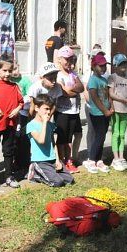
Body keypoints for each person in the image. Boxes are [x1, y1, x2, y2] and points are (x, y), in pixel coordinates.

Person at [0, 58, 24, 189]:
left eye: (9, 71)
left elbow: (21, 102)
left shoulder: (14, 86)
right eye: (4, 70)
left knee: (8, 151)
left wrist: (17, 110)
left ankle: (9, 176)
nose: (7, 74)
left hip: (10, 124)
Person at [26, 94, 73, 187]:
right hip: (40, 161)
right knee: (58, 182)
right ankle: (35, 173)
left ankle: (50, 172)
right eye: (46, 109)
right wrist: (44, 122)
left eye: (50, 109)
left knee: (69, 180)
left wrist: (58, 160)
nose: (48, 112)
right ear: (36, 108)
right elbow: (41, 140)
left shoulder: (50, 125)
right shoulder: (31, 125)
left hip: (52, 160)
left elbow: (53, 143)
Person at [54, 46, 84, 174]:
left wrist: (73, 90)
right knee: (62, 139)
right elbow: (64, 92)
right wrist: (74, 91)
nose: (69, 62)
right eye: (66, 59)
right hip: (62, 112)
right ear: (60, 59)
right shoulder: (58, 75)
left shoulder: (73, 74)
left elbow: (81, 87)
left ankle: (69, 160)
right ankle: (61, 160)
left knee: (70, 138)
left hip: (74, 111)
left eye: (71, 59)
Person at [82, 53, 113, 174]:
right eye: (101, 66)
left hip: (105, 113)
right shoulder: (93, 80)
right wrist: (104, 110)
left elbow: (108, 95)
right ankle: (91, 159)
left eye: (105, 65)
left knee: (102, 136)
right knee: (99, 136)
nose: (104, 68)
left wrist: (110, 107)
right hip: (97, 113)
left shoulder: (104, 80)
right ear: (94, 66)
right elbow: (94, 98)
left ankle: (98, 159)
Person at [108, 54, 127, 171]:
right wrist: (124, 100)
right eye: (120, 64)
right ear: (115, 66)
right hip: (115, 109)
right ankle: (115, 158)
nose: (123, 66)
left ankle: (121, 157)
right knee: (116, 133)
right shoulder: (112, 77)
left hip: (125, 110)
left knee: (122, 134)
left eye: (124, 63)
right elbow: (111, 93)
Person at [11, 63, 33, 174]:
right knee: (14, 140)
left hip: (23, 113)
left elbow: (30, 95)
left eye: (15, 68)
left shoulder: (25, 80)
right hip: (12, 115)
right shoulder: (8, 79)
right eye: (12, 69)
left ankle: (24, 163)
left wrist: (19, 103)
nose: (14, 71)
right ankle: (15, 163)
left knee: (24, 139)